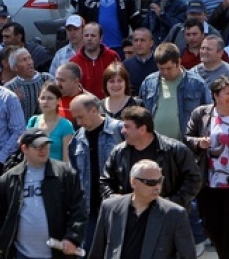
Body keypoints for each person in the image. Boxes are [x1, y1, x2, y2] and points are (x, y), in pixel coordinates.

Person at [0, 128, 86, 259]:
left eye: (46, 145)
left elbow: (79, 209)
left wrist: (72, 238)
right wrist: (3, 238)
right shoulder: (9, 179)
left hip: (58, 254)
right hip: (20, 253)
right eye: (38, 146)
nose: (43, 150)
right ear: (24, 148)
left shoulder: (65, 174)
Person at [185, 77, 229, 259]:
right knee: (212, 225)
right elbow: (187, 138)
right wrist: (199, 143)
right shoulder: (201, 113)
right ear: (216, 96)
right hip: (209, 181)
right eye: (227, 93)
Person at [100, 105, 202, 209]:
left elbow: (194, 179)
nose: (122, 131)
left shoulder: (175, 150)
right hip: (131, 217)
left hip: (166, 218)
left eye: (127, 127)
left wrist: (171, 204)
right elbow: (105, 181)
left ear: (142, 129)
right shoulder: (119, 152)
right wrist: (116, 200)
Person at [91, 159, 196, 259]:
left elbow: (188, 255)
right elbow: (97, 251)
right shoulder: (110, 207)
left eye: (160, 181)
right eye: (150, 183)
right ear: (133, 182)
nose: (157, 187)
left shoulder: (174, 214)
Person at [68, 93, 124, 250]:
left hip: (118, 207)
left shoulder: (119, 130)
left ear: (94, 110)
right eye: (75, 119)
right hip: (89, 210)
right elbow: (75, 174)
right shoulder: (77, 139)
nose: (78, 123)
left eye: (81, 117)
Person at [138, 43, 211, 142]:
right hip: (154, 144)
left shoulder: (197, 84)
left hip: (186, 145)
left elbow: (208, 114)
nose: (165, 72)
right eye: (161, 69)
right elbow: (140, 113)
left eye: (169, 68)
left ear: (179, 62)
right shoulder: (148, 83)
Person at [70, 22, 121, 99]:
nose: (89, 38)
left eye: (93, 35)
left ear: (101, 38)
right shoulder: (74, 62)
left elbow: (121, 81)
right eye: (86, 35)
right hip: (85, 107)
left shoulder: (112, 56)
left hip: (110, 105)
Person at [26, 82, 75, 161]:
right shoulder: (33, 121)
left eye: (50, 98)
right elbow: (27, 152)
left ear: (58, 101)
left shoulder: (66, 125)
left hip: (55, 172)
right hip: (34, 171)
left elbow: (67, 158)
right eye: (42, 98)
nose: (45, 101)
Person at [4, 47, 54, 118]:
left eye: (30, 58)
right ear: (15, 68)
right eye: (24, 60)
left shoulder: (47, 79)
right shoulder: (9, 88)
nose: (29, 62)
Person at [123, 28, 158, 95]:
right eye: (136, 40)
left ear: (151, 43)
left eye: (142, 40)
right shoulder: (126, 65)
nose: (138, 43)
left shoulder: (159, 63)